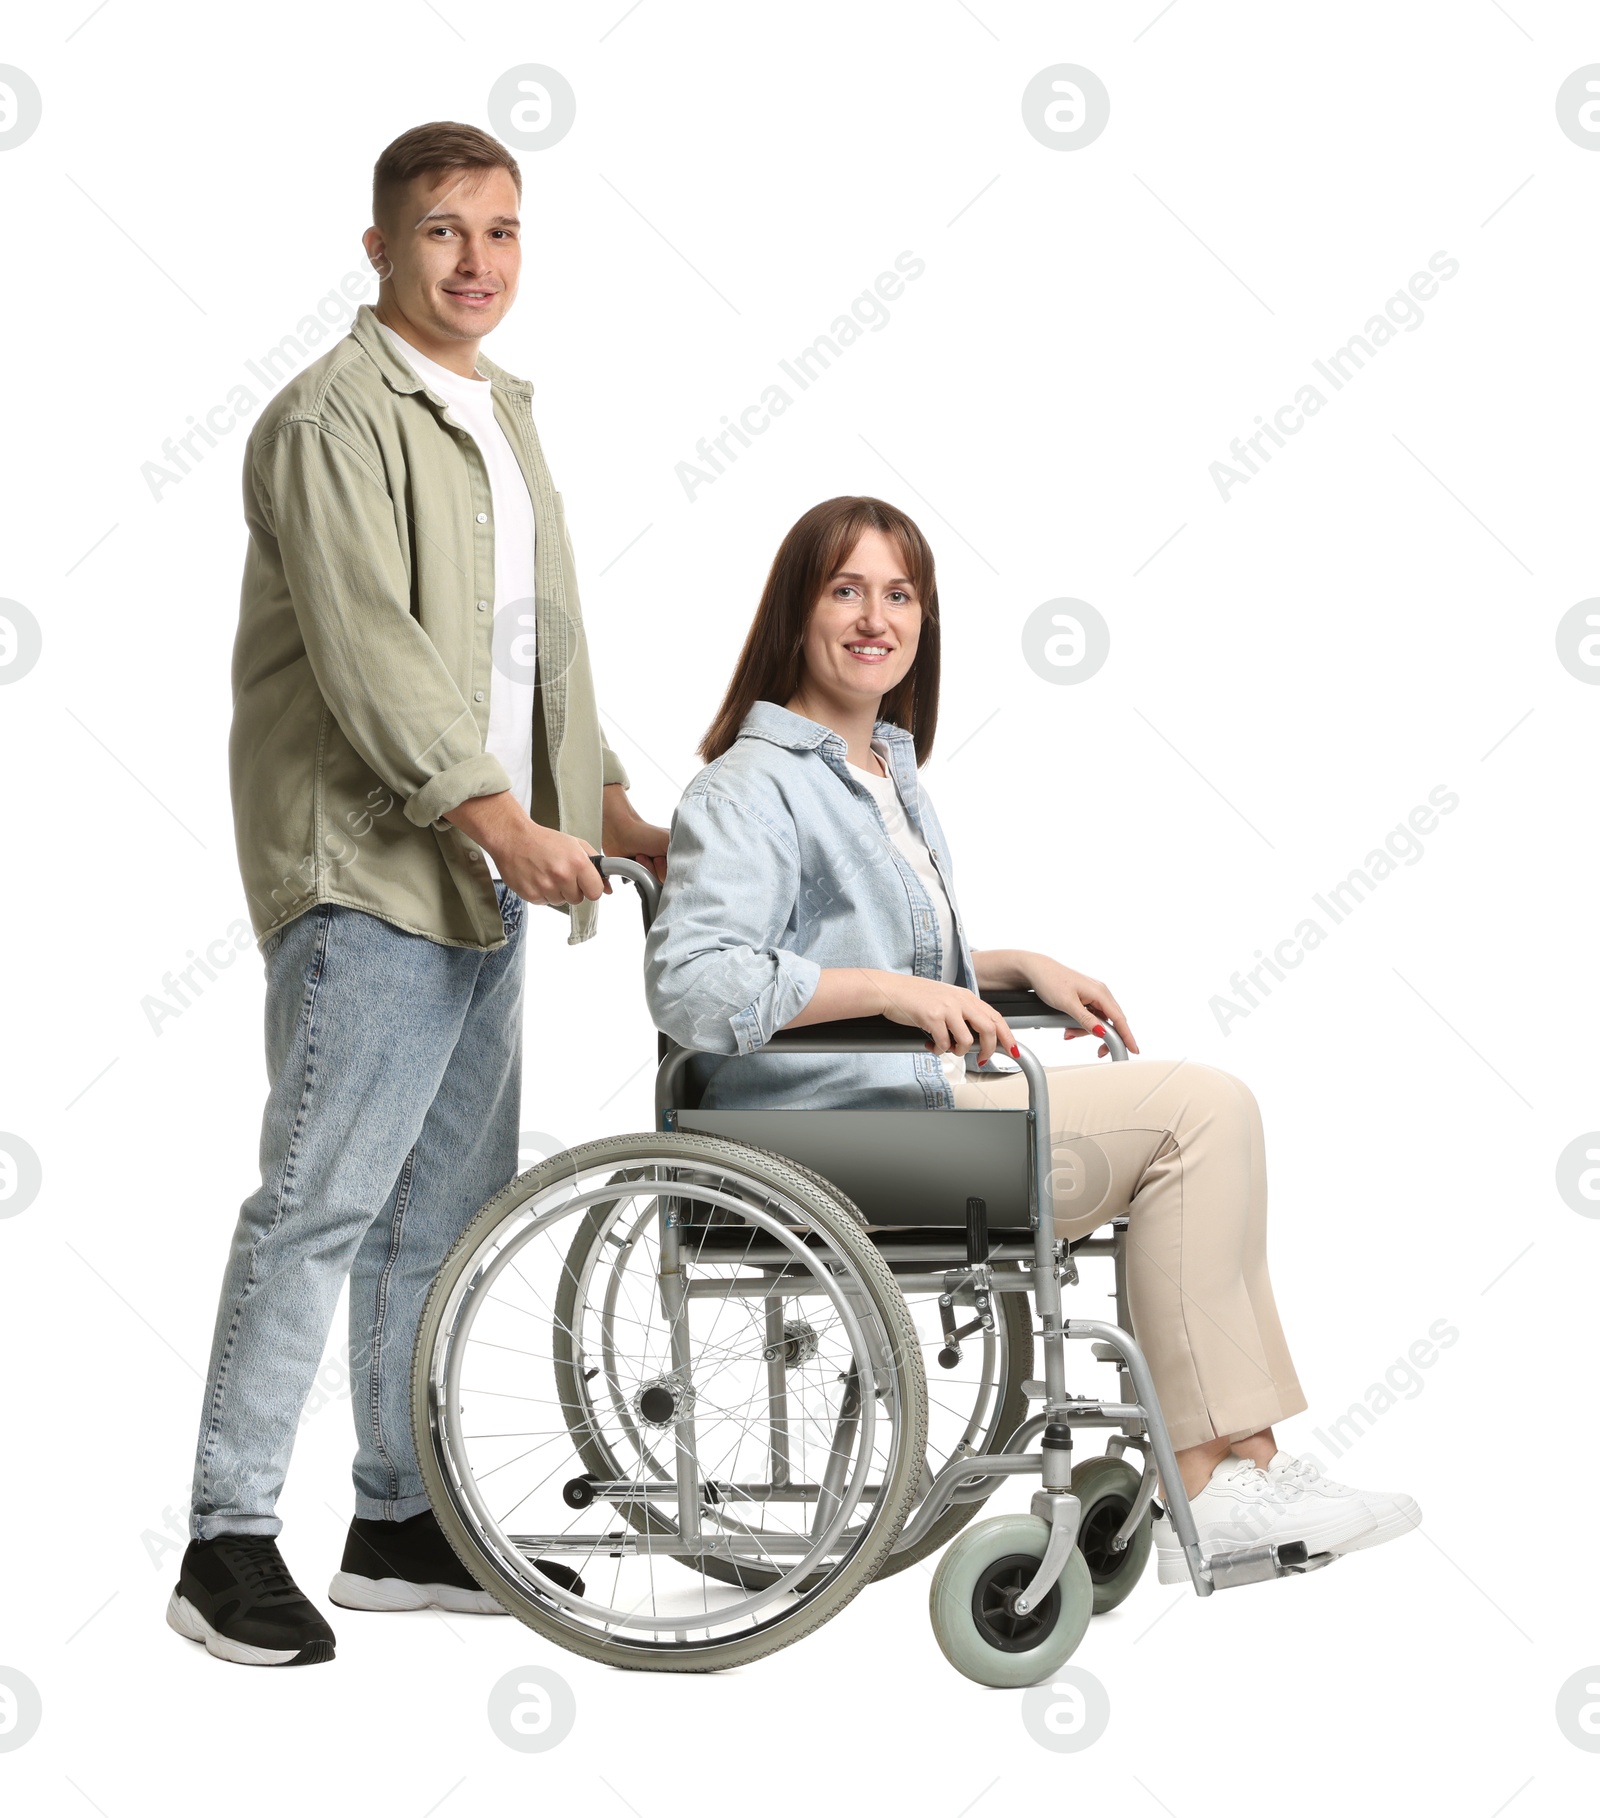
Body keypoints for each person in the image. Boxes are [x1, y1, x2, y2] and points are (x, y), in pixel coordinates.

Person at [643, 494, 1419, 1581]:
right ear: (796, 612)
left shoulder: (880, 776)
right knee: (1201, 1111)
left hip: (905, 1112)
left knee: (1206, 1123)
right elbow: (692, 981)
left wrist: (1001, 971)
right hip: (838, 1136)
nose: (877, 617)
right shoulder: (750, 783)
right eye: (847, 589)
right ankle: (1216, 1478)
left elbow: (875, 966)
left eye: (900, 594)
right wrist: (897, 993)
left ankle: (1242, 1463)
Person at [169, 122, 668, 1667]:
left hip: (491, 863)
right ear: (379, 246)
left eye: (503, 232)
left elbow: (533, 646)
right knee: (318, 1202)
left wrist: (611, 809)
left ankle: (399, 1519)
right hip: (376, 868)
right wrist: (495, 815)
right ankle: (224, 1542)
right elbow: (376, 652)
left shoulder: (499, 415)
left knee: (443, 1212)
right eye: (444, 231)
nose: (476, 262)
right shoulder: (332, 417)